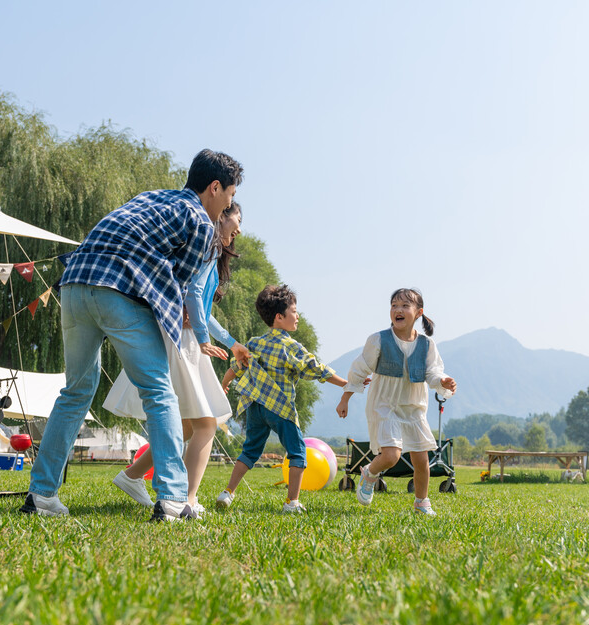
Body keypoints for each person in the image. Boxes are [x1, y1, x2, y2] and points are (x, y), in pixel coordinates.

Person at [20, 149, 243, 522]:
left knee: (75, 391)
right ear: (215, 187)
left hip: (74, 285)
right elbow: (182, 289)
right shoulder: (202, 225)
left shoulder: (150, 196)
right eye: (230, 196)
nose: (228, 206)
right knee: (159, 392)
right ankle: (173, 499)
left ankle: (41, 495)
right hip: (119, 291)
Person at [106, 201, 250, 514]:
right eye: (235, 220)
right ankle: (187, 499)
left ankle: (132, 476)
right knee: (206, 425)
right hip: (183, 339)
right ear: (220, 216)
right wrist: (201, 338)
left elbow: (202, 309)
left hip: (177, 334)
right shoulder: (206, 246)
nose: (238, 229)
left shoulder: (201, 247)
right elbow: (194, 296)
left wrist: (230, 341)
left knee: (184, 426)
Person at [216, 285, 347, 513]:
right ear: (279, 317)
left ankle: (227, 493)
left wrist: (223, 385)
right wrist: (346, 383)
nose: (297, 316)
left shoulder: (255, 343)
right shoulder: (291, 346)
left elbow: (236, 368)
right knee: (297, 452)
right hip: (280, 408)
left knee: (249, 451)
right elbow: (317, 369)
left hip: (255, 407)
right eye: (294, 311)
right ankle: (292, 502)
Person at [335, 288, 457, 516]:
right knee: (392, 455)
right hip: (385, 405)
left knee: (422, 460)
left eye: (404, 306)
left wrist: (443, 380)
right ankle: (369, 473)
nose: (397, 310)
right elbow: (359, 370)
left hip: (414, 409)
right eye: (394, 305)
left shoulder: (427, 345)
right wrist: (345, 398)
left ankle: (422, 502)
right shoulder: (379, 340)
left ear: (418, 312)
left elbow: (432, 372)